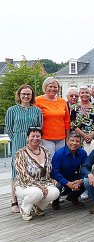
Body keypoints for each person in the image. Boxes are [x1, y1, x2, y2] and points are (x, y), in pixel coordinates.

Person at [6, 85, 43, 213]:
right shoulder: (12, 110)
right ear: (19, 95)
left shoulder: (37, 110)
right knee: (16, 170)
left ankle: (31, 199)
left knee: (32, 169)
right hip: (18, 141)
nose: (26, 96)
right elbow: (9, 129)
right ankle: (14, 199)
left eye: (28, 94)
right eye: (23, 94)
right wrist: (17, 139)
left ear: (32, 95)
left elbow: (39, 127)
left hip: (33, 142)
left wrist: (34, 140)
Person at [14, 127, 60, 221]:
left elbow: (47, 170)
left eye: (38, 136)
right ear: (27, 137)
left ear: (41, 138)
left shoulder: (45, 151)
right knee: (36, 192)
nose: (35, 138)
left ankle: (39, 206)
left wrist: (51, 179)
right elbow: (23, 176)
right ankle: (25, 209)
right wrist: (40, 186)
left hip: (43, 183)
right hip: (24, 185)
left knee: (55, 192)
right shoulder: (20, 153)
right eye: (32, 136)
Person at [51, 132, 87, 210]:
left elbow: (86, 168)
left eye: (77, 141)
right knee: (58, 185)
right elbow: (55, 172)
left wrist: (80, 180)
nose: (74, 143)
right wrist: (67, 183)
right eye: (72, 140)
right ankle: (55, 201)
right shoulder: (59, 153)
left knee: (87, 178)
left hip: (72, 176)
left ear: (80, 143)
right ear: (67, 141)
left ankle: (73, 197)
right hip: (59, 177)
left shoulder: (82, 153)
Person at [35, 77, 70, 158]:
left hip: (61, 138)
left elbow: (67, 120)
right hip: (46, 138)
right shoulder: (38, 100)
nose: (53, 89)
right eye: (50, 86)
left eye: (55, 87)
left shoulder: (62, 101)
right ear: (45, 87)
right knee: (50, 161)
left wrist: (67, 136)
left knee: (60, 161)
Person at [70, 86, 94, 153]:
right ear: (79, 95)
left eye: (87, 93)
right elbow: (73, 125)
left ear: (90, 94)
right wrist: (85, 136)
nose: (84, 94)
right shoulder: (74, 107)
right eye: (82, 93)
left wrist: (92, 134)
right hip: (80, 138)